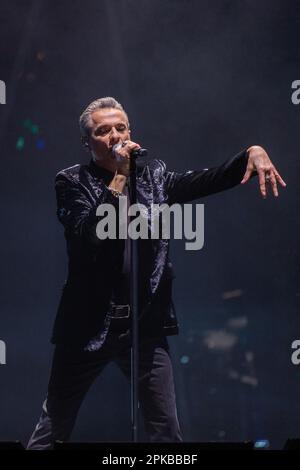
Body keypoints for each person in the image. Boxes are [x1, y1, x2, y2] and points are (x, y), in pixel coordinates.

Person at [27, 97, 286, 449]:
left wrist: (250, 154)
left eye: (121, 127)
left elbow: (203, 181)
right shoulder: (71, 181)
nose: (115, 135)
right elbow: (89, 236)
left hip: (144, 325)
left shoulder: (155, 176)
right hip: (87, 325)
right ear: (87, 142)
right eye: (103, 131)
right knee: (52, 427)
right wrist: (119, 176)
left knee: (165, 430)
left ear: (132, 132)